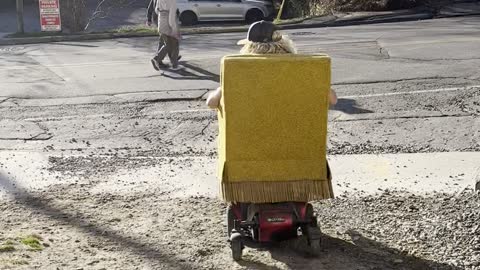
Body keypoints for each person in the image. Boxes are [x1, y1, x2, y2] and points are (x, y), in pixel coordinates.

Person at [206, 21, 337, 108]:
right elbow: (333, 100)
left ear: (249, 46)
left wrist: (219, 91)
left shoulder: (240, 72)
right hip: (299, 145)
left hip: (250, 144)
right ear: (283, 43)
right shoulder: (301, 70)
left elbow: (211, 103)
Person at [146, 0, 182, 70]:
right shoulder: (172, 1)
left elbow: (156, 10)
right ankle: (159, 59)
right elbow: (171, 18)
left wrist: (162, 14)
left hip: (161, 22)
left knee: (167, 43)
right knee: (172, 43)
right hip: (168, 24)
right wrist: (174, 29)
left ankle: (173, 63)